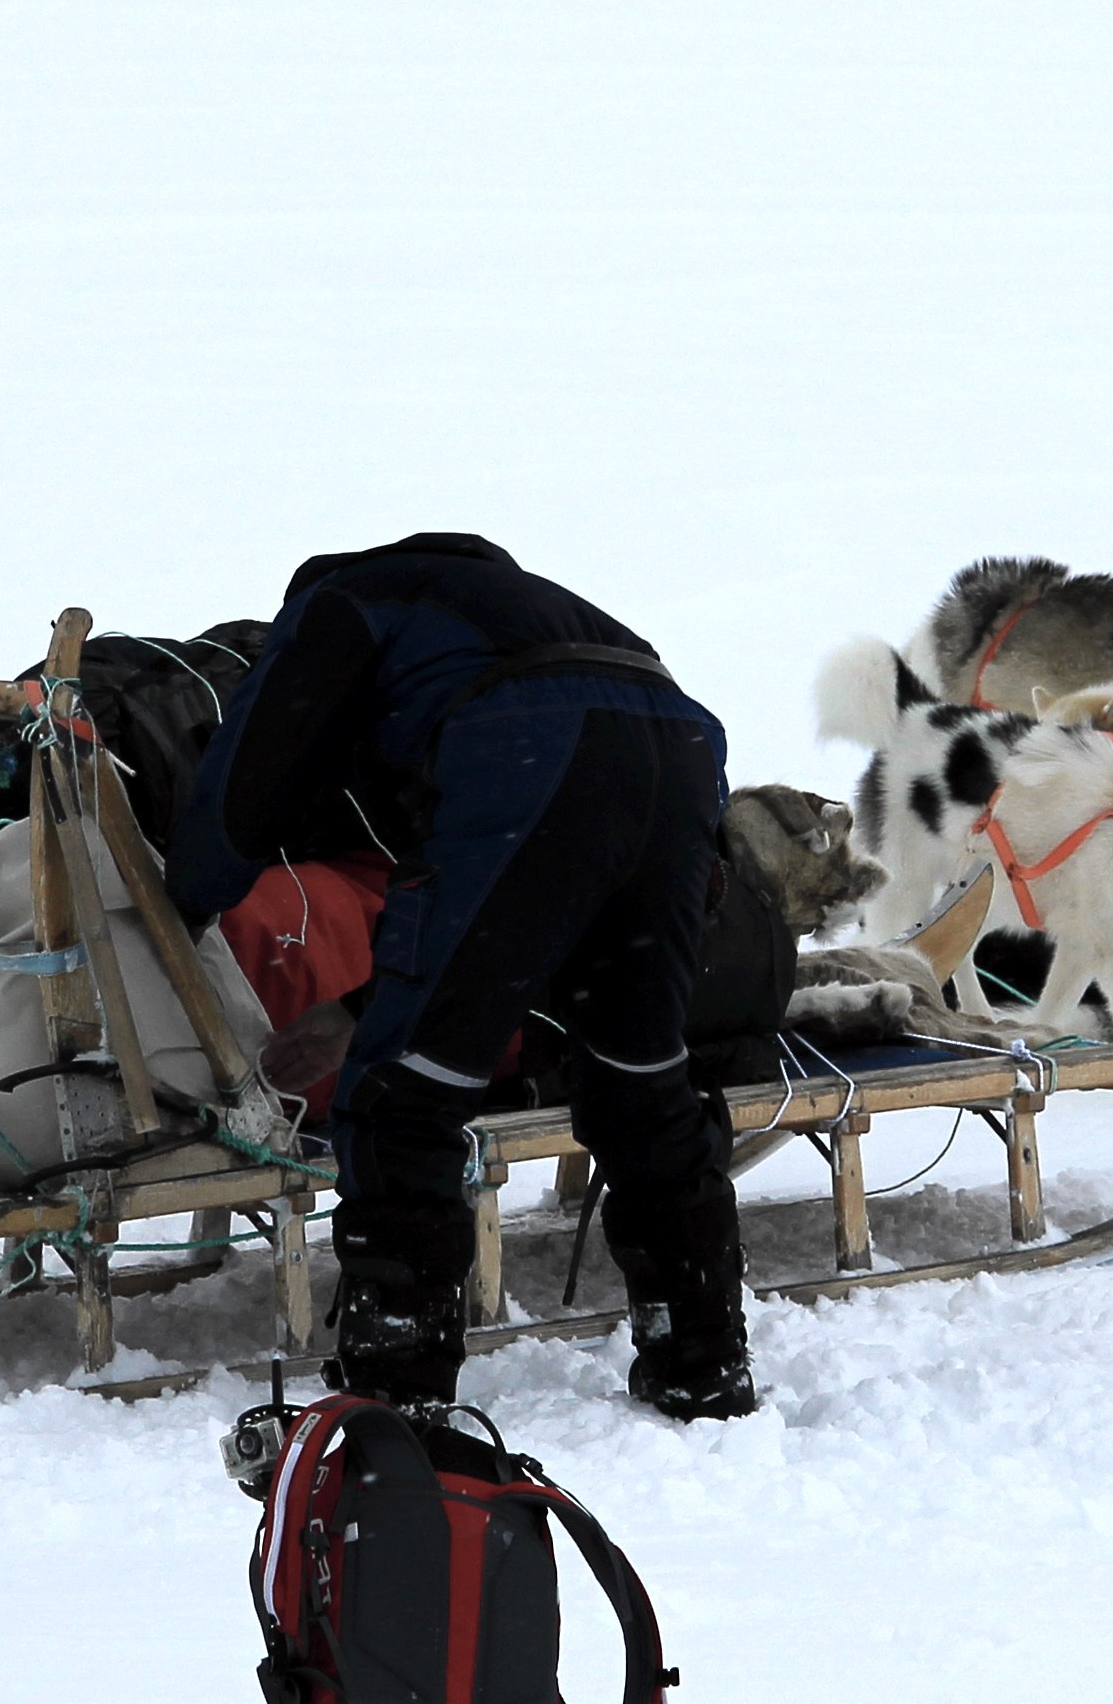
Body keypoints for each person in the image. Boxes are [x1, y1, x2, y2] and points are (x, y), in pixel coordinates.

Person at [171, 535, 754, 1421]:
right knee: (639, 1076)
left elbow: (247, 779)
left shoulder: (343, 603)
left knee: (405, 1092)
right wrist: (359, 1007)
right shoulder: (513, 605)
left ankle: (397, 1387)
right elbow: (511, 929)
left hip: (530, 741)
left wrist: (186, 901)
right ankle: (703, 1360)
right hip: (679, 756)